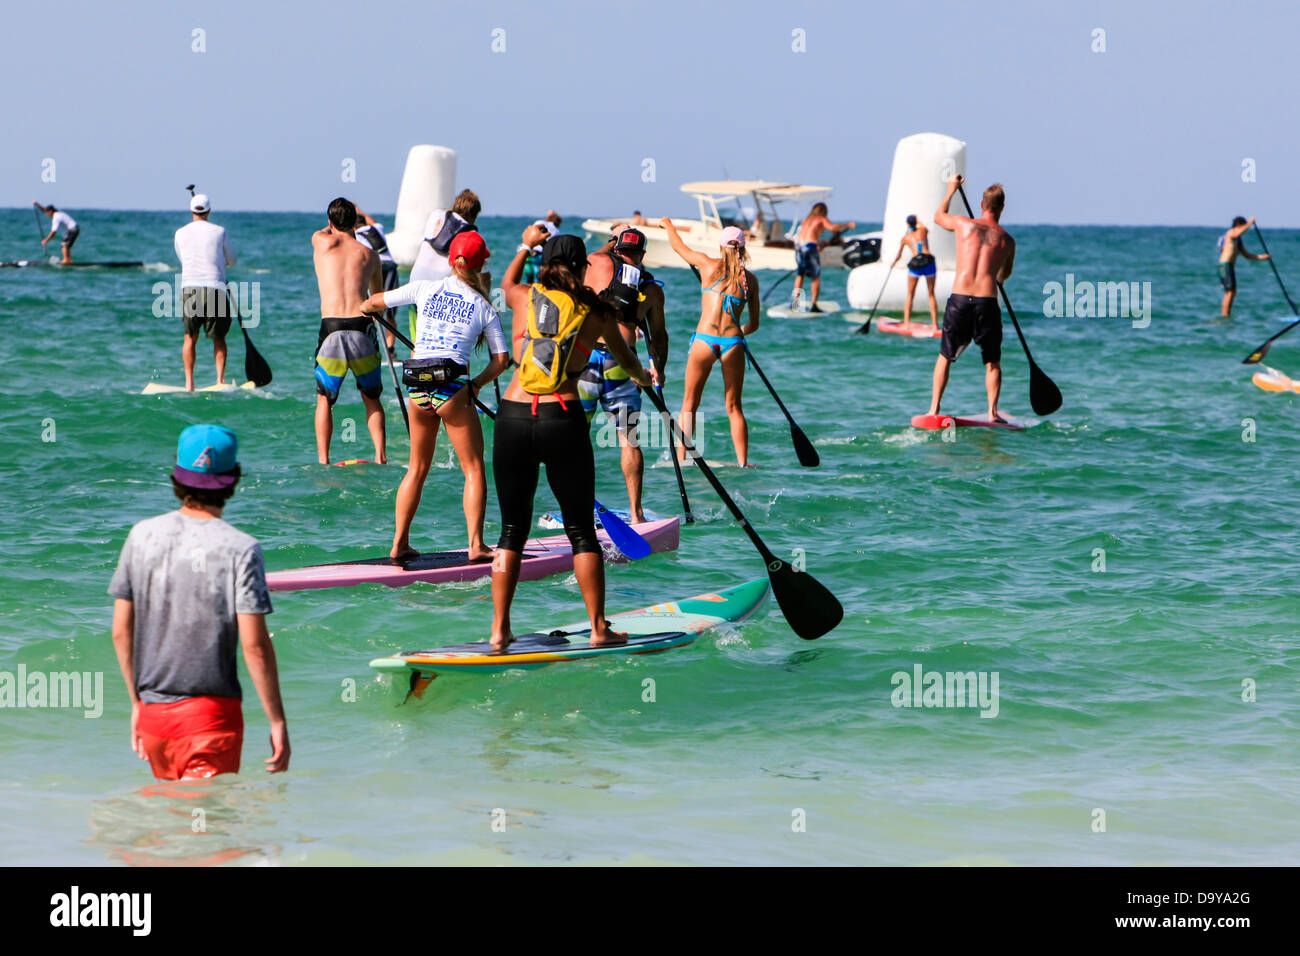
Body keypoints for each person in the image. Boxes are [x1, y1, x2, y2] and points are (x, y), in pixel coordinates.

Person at [491, 230, 652, 650]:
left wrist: (524, 245)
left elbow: (504, 285)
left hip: (512, 416)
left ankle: (499, 631)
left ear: (545, 264)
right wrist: (644, 377)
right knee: (581, 530)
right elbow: (627, 359)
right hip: (560, 417)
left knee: (511, 530)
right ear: (582, 268)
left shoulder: (527, 296)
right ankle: (599, 629)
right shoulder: (596, 310)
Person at [108, 424, 288, 780]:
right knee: (207, 831)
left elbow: (120, 631)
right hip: (210, 718)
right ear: (233, 479)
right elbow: (254, 645)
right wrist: (277, 720)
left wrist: (136, 704)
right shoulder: (241, 548)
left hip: (153, 716)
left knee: (172, 825)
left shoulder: (141, 535)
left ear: (178, 474)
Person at [360, 231, 510, 561]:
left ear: (450, 260)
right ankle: (476, 545)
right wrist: (477, 384)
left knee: (416, 468)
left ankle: (399, 543)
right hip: (453, 387)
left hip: (417, 383)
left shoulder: (423, 288)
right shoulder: (484, 306)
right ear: (482, 263)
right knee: (473, 470)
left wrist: (366, 306)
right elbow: (503, 360)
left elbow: (371, 304)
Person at [579, 226, 668, 522]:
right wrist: (659, 370)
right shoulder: (652, 289)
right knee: (629, 438)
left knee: (576, 438)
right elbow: (659, 336)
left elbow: (592, 256)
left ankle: (579, 508)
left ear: (616, 248)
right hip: (623, 364)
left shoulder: (597, 262)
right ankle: (636, 512)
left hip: (586, 359)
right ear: (642, 255)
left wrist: (611, 240)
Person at [662, 219, 760, 466]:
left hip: (704, 341)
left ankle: (683, 458)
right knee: (734, 406)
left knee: (689, 402)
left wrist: (669, 226)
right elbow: (754, 324)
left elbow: (679, 247)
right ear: (743, 249)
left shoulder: (706, 265)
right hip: (732, 343)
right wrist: (738, 336)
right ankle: (743, 462)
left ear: (720, 246)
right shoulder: (751, 281)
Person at [927, 176, 1016, 422]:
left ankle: (934, 409)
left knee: (945, 355)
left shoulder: (963, 224)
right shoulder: (1007, 241)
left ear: (981, 205)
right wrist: (997, 273)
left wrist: (951, 190)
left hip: (960, 298)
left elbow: (938, 216)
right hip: (987, 301)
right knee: (992, 362)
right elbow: (1003, 275)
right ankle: (993, 412)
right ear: (1002, 208)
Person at [312, 197, 386, 464]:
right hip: (361, 326)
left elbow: (324, 230)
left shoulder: (321, 241)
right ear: (356, 222)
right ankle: (380, 457)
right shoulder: (370, 255)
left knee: (324, 399)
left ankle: (324, 460)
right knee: (372, 399)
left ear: (331, 222)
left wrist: (333, 223)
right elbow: (377, 298)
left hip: (331, 327)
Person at [174, 192, 237, 391]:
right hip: (215, 288)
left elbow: (183, 258)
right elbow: (232, 260)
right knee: (219, 338)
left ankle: (189, 383)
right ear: (209, 210)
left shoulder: (180, 233)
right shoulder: (220, 231)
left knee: (189, 338)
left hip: (189, 288)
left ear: (191, 211)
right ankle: (220, 380)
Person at [409, 189, 482, 339]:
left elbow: (448, 211)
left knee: (417, 341)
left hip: (415, 281)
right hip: (440, 289)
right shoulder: (471, 236)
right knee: (438, 339)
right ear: (474, 216)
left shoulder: (436, 215)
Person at [790, 202, 855, 312]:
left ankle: (795, 303)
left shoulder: (807, 219)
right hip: (809, 247)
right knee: (816, 277)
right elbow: (832, 227)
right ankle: (814, 305)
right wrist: (848, 225)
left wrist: (818, 244)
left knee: (800, 274)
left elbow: (807, 235)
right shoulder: (821, 219)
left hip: (799, 246)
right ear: (824, 211)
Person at [353, 205, 399, 350]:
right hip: (391, 267)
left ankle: (370, 346)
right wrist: (358, 208)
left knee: (371, 307)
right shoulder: (376, 228)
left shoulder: (355, 236)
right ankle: (391, 350)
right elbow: (371, 220)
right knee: (389, 313)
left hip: (375, 267)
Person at [889, 214, 938, 327]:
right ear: (916, 223)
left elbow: (898, 256)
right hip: (929, 262)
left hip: (916, 264)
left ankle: (906, 323)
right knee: (931, 294)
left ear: (907, 225)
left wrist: (893, 263)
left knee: (910, 294)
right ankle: (935, 325)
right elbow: (923, 226)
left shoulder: (905, 238)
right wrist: (918, 220)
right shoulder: (923, 231)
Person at [1218, 216, 1270, 318]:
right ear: (1238, 225)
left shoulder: (1238, 240)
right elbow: (1238, 232)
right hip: (1224, 266)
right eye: (1243, 226)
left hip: (1230, 266)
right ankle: (1224, 315)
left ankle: (1228, 313)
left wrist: (1263, 257)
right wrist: (1250, 223)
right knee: (1229, 291)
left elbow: (1247, 255)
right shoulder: (1231, 233)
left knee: (1233, 291)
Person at [522, 218, 559, 284]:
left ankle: (529, 291)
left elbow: (531, 231)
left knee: (529, 278)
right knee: (540, 278)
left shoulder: (539, 222)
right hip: (545, 254)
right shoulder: (556, 230)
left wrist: (526, 246)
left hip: (533, 253)